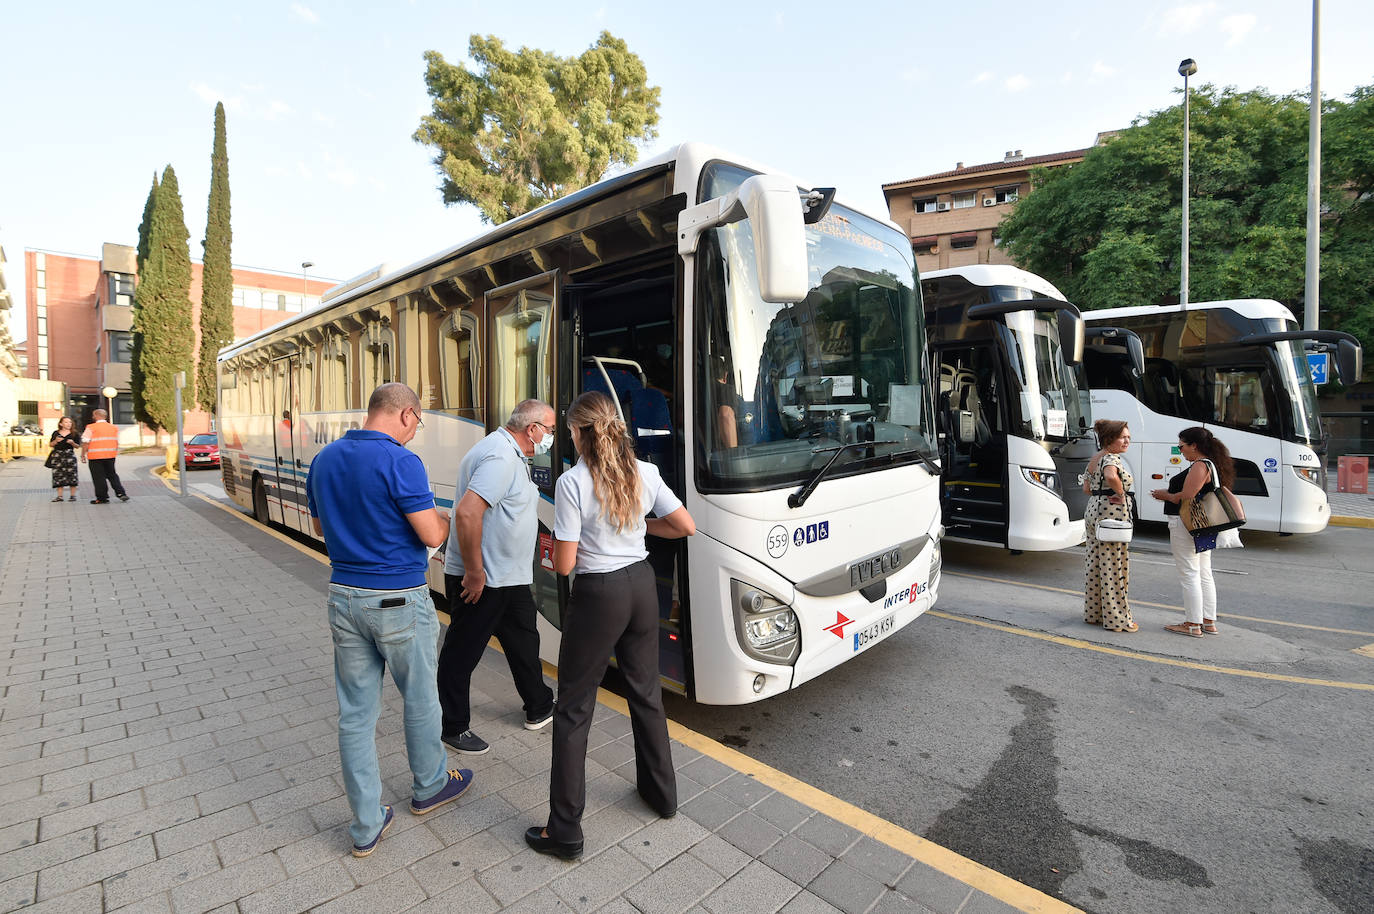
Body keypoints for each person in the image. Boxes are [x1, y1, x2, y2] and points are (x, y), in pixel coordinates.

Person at [525, 391, 696, 860]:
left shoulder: (573, 482)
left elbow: (563, 566)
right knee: (646, 694)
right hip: (642, 587)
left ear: (580, 434)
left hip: (599, 594)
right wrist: (640, 531)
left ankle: (565, 831)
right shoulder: (646, 473)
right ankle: (662, 797)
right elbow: (685, 526)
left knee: (575, 707)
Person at [305, 382, 473, 858]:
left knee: (356, 715)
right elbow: (430, 536)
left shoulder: (325, 459)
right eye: (417, 423)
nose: (415, 432)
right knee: (420, 699)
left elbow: (321, 527)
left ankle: (365, 824)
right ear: (405, 415)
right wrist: (441, 519)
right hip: (398, 598)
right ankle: (430, 785)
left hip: (344, 596)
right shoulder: (401, 461)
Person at [437, 399, 557, 755]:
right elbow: (469, 514)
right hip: (484, 581)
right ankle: (453, 727)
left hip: (508, 578)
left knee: (524, 642)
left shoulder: (508, 453)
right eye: (549, 430)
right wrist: (475, 573)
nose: (551, 437)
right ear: (531, 429)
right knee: (461, 653)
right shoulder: (500, 458)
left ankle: (539, 706)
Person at [1150, 426, 1235, 638]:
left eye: (1181, 447)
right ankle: (1208, 620)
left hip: (1187, 523)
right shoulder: (1211, 465)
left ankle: (1192, 624)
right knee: (1204, 572)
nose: (1180, 451)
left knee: (1189, 573)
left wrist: (1165, 495)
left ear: (1194, 446)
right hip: (1203, 525)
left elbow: (1186, 495)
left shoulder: (1199, 465)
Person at [1081, 419, 1136, 633]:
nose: (1127, 441)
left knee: (1095, 563)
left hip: (1094, 509)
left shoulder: (1095, 458)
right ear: (1110, 438)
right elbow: (1111, 476)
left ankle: (1094, 614)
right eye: (1123, 437)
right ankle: (1117, 620)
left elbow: (1087, 488)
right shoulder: (1112, 458)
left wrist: (1102, 494)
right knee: (1114, 566)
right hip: (1111, 514)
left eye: (1128, 437)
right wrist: (1121, 494)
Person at [80, 409, 129, 504]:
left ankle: (102, 498)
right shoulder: (113, 427)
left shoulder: (91, 427)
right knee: (112, 475)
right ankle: (121, 493)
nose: (92, 417)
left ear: (96, 415)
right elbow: (116, 441)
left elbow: (85, 442)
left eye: (93, 415)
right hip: (110, 455)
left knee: (99, 477)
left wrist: (82, 455)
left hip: (95, 457)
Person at [48, 417, 80, 502]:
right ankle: (60, 496)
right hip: (57, 456)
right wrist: (56, 441)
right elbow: (51, 444)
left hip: (69, 455)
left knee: (72, 474)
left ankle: (73, 495)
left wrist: (72, 443)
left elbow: (77, 446)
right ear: (61, 424)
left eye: (70, 422)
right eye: (66, 422)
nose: (69, 424)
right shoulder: (56, 433)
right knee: (58, 475)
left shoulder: (74, 433)